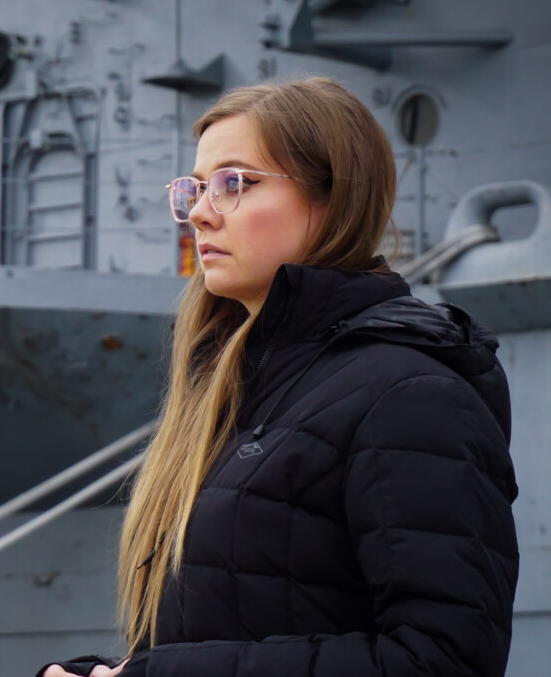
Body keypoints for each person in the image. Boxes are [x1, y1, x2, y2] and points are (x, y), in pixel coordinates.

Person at [39, 76, 519, 677]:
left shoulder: (408, 394)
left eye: (233, 183)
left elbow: (444, 661)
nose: (199, 214)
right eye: (193, 188)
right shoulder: (241, 390)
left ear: (332, 197)